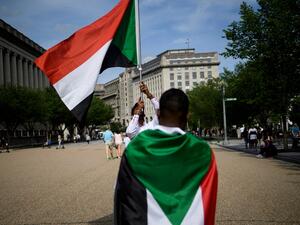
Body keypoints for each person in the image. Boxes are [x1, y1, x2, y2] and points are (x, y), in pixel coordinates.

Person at [115, 88, 218, 224]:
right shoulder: (203, 152)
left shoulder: (135, 150)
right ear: (188, 115)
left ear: (158, 113)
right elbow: (207, 199)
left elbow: (124, 201)